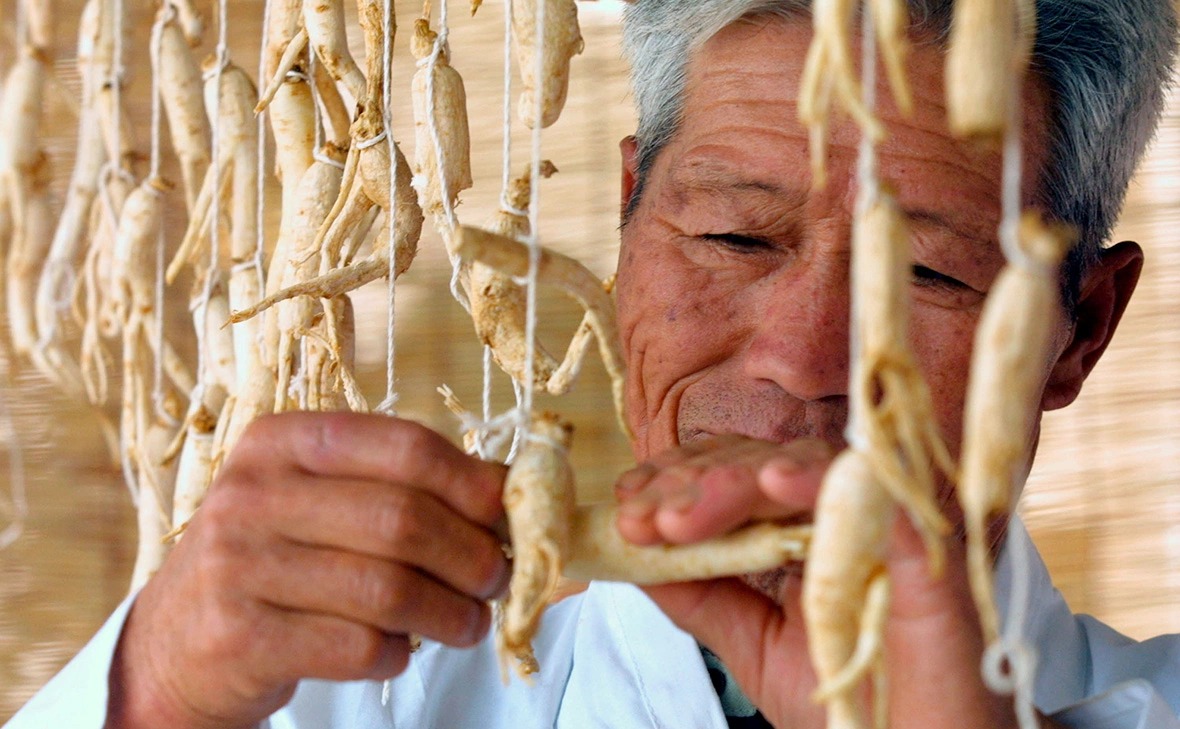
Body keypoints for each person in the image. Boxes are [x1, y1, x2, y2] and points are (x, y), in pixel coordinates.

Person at [7, 0, 1180, 727]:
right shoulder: (334, 700)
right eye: (733, 237)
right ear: (626, 221)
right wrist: (153, 688)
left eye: (927, 274)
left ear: (1079, 331)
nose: (796, 359)